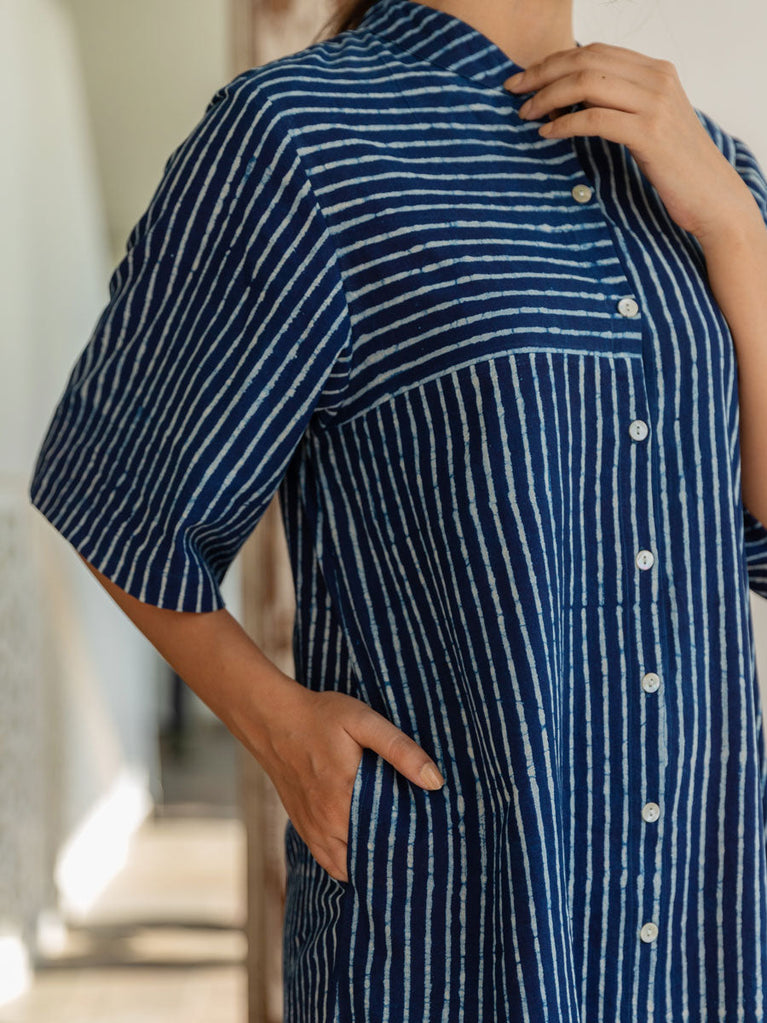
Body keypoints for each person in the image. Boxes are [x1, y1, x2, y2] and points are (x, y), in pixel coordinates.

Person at [27, 0, 767, 1018]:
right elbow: (116, 486)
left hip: (697, 919)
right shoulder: (298, 138)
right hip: (458, 919)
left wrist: (734, 229)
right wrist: (277, 728)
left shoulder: (696, 156)